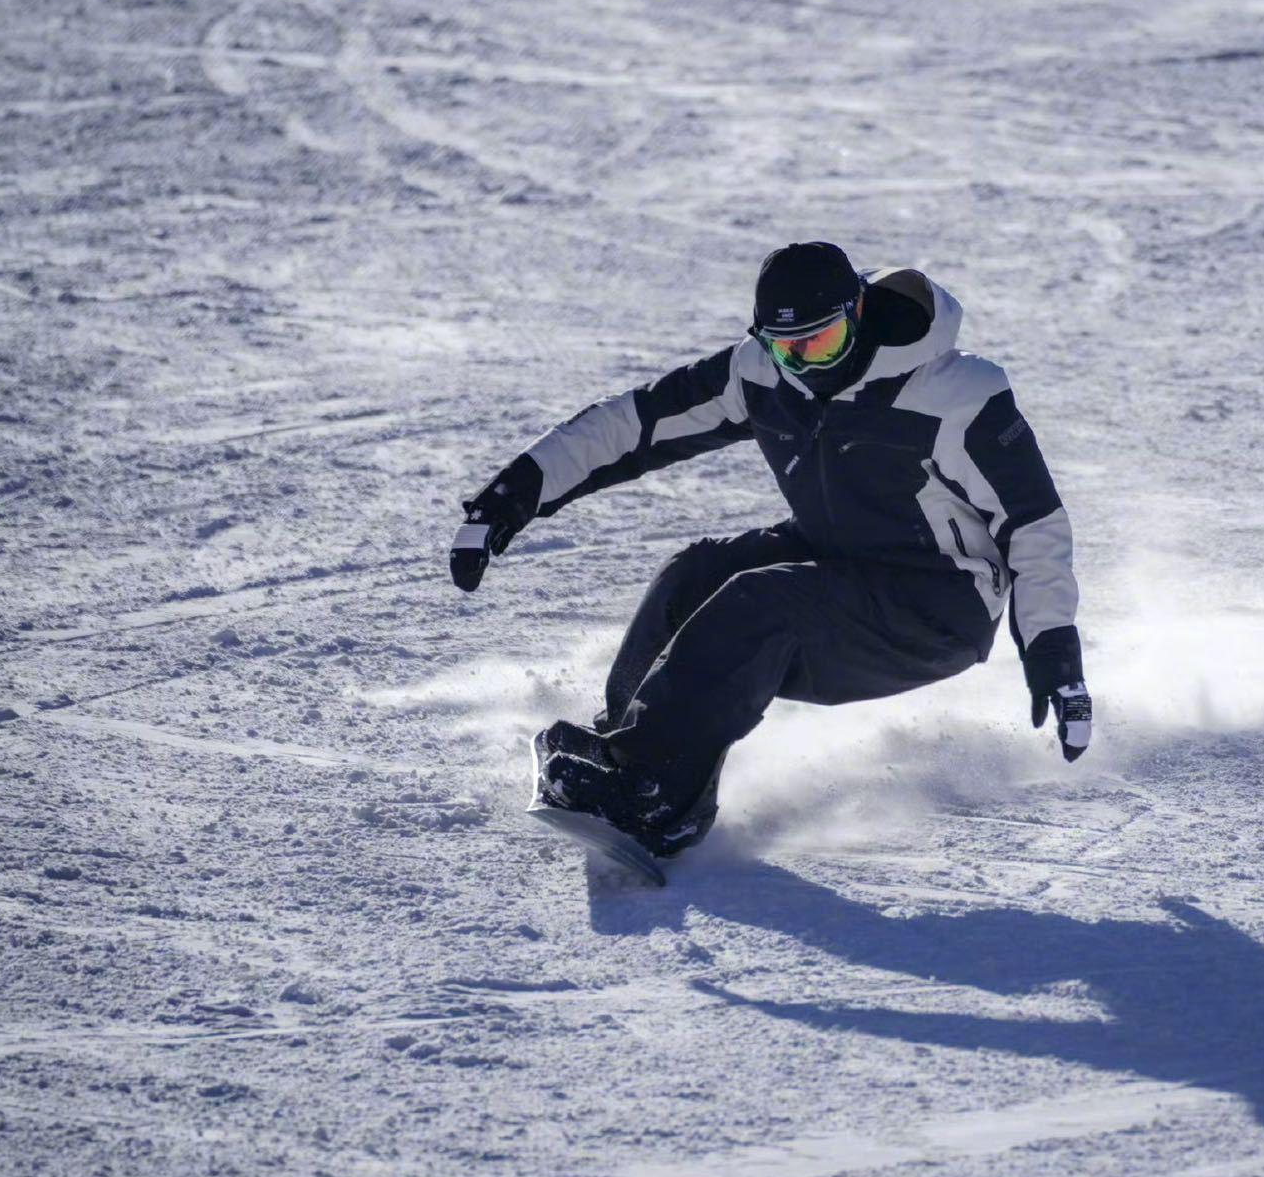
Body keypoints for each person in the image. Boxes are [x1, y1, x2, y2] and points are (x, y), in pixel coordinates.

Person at [449, 242, 1091, 857]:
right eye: (785, 348)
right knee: (696, 573)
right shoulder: (763, 372)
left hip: (937, 605)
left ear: (858, 314)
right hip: (840, 559)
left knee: (761, 603)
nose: (806, 364)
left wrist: (1054, 653)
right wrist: (508, 499)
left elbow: (1034, 525)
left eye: (822, 341)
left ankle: (656, 797)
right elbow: (636, 423)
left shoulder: (956, 392)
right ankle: (624, 746)